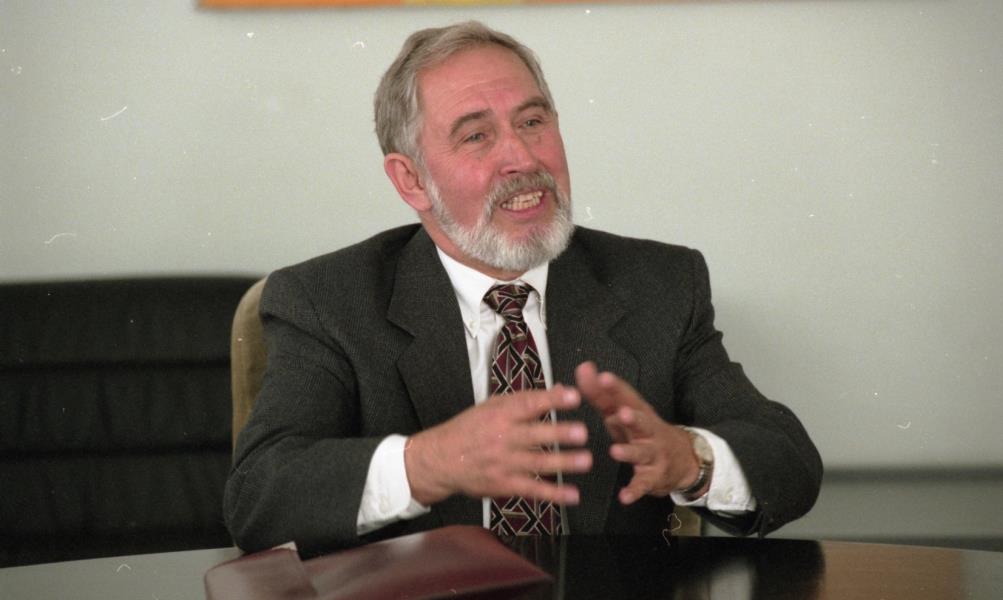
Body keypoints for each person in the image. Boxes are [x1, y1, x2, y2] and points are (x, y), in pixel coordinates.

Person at [223, 21, 821, 556]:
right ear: (412, 181)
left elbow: (789, 462)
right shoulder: (327, 300)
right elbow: (258, 496)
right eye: (476, 137)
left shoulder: (658, 283)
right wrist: (428, 463)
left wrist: (691, 460)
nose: (522, 158)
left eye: (533, 122)